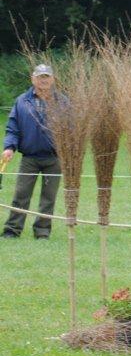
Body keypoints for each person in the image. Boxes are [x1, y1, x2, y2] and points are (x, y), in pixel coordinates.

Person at [1, 63, 61, 239]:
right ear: (33, 79)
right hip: (29, 158)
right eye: (40, 77)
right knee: (21, 195)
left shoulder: (63, 102)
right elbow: (13, 128)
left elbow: (70, 130)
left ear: (52, 79)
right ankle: (12, 230)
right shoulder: (22, 101)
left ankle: (42, 232)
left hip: (54, 159)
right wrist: (9, 147)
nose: (43, 80)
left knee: (48, 198)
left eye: (46, 77)